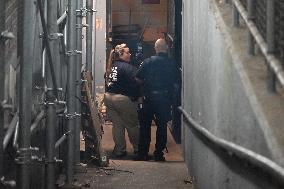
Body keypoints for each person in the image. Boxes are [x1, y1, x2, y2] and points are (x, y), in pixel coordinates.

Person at [134, 38, 179, 161]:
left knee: (145, 127)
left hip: (148, 98)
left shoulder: (148, 62)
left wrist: (144, 86)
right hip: (164, 99)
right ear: (166, 48)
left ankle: (142, 153)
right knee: (162, 126)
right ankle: (158, 154)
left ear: (155, 49)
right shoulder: (172, 63)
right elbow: (176, 82)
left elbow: (137, 78)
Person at [104, 43, 140, 157]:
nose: (130, 54)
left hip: (109, 97)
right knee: (132, 125)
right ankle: (138, 149)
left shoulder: (111, 66)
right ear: (121, 54)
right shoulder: (127, 67)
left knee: (118, 125)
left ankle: (119, 150)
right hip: (122, 99)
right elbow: (136, 82)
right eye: (127, 52)